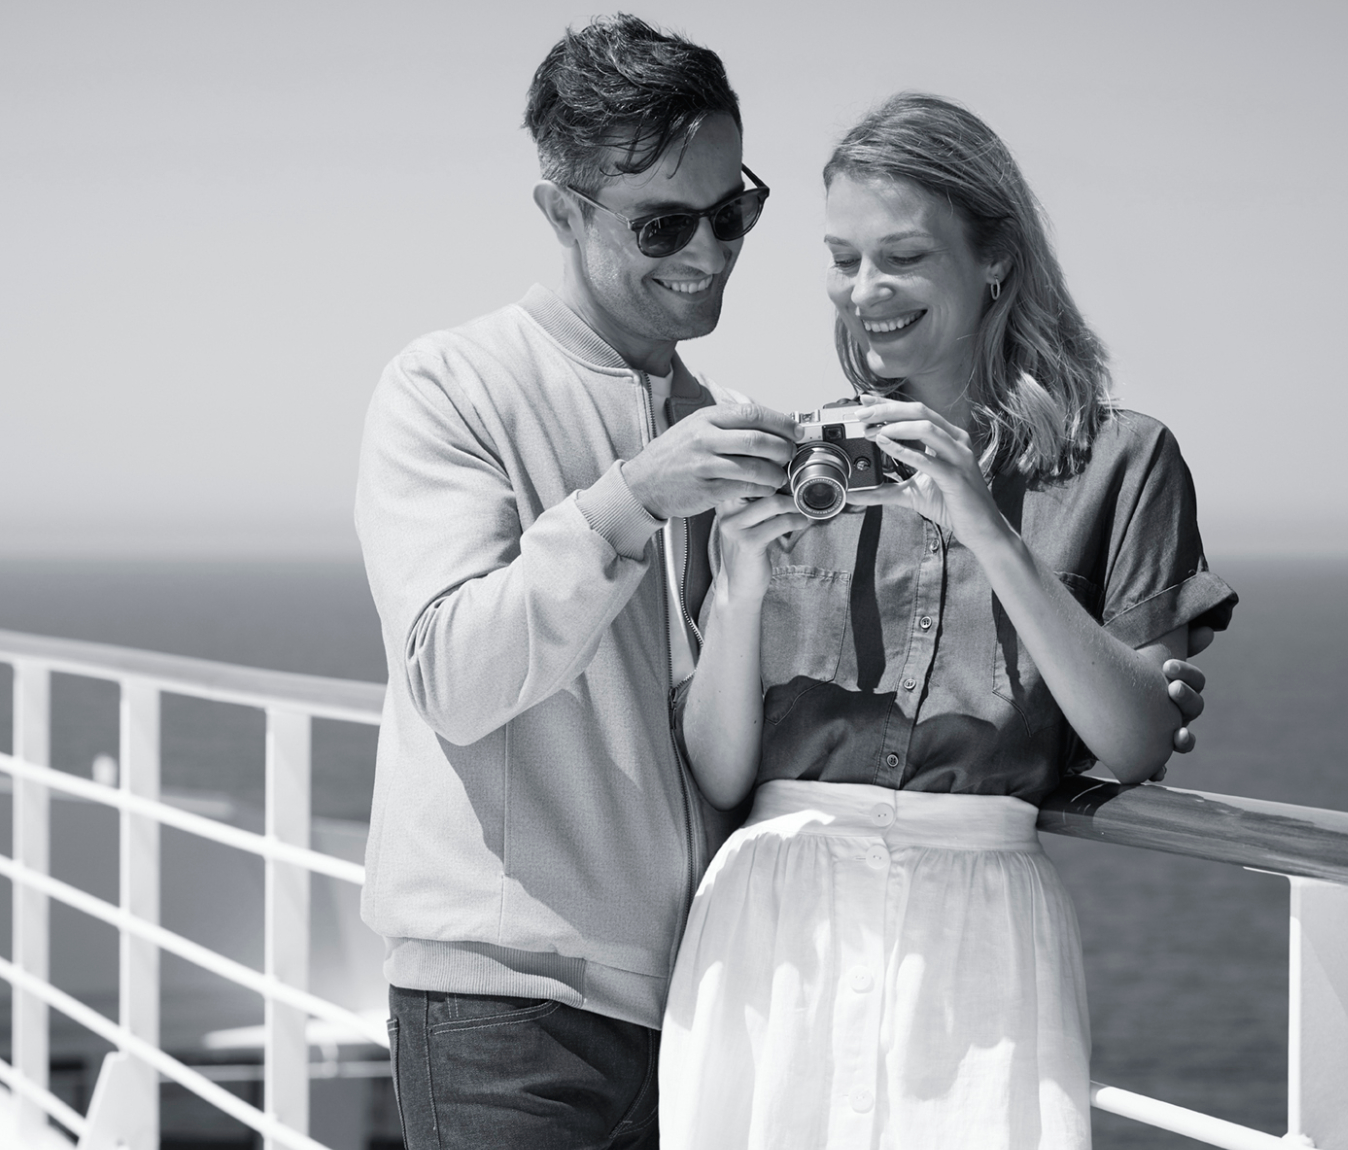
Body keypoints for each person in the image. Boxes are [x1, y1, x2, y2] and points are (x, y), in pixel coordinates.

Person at [355, 20, 1213, 1147]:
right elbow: (453, 678)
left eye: (732, 213)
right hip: (516, 997)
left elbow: (717, 759)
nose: (708, 254)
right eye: (663, 222)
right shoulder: (453, 388)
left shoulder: (737, 434)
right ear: (560, 211)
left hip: (700, 981)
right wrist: (638, 499)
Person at [656, 92, 1240, 1149]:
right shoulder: (795, 466)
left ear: (994, 261)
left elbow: (1137, 740)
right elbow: (718, 774)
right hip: (768, 930)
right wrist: (738, 587)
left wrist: (988, 531)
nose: (863, 292)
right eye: (842, 258)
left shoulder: (1121, 461)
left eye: (902, 256)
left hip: (979, 933)